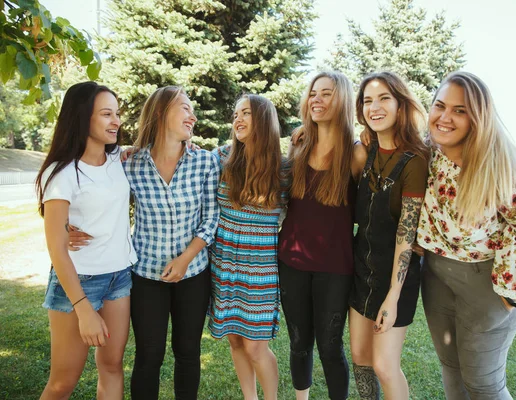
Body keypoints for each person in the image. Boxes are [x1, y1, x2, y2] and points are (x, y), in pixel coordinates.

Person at [416, 71, 516, 399]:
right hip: (435, 277)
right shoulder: (427, 153)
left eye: (460, 110)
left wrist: (509, 296)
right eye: (440, 106)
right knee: (451, 368)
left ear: (478, 118)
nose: (445, 117)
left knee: (485, 385)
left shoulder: (499, 165)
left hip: (486, 284)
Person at [70, 86, 220, 399]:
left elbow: (211, 220)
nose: (193, 116)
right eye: (185, 108)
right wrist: (65, 224)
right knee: (149, 355)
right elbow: (89, 190)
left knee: (188, 353)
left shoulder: (205, 162)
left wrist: (185, 259)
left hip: (193, 275)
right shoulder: (127, 162)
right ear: (162, 112)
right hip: (146, 276)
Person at [36, 81, 137, 399]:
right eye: (106, 114)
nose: (116, 121)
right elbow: (56, 247)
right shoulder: (62, 173)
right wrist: (83, 309)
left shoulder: (117, 159)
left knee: (112, 367)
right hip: (77, 283)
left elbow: (157, 146)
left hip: (119, 278)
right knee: (63, 383)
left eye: (117, 114)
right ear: (83, 117)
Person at [278, 71, 367, 400]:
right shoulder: (299, 142)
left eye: (326, 93)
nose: (316, 99)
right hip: (292, 261)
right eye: (313, 93)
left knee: (330, 347)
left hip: (335, 267)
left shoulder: (356, 154)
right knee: (299, 343)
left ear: (341, 99)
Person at [348, 72, 429, 400]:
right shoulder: (362, 153)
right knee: (360, 359)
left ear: (400, 105)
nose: (374, 106)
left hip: (397, 278)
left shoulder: (415, 160)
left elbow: (406, 234)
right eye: (368, 100)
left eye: (384, 99)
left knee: (384, 365)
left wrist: (393, 296)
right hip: (360, 271)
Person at [208, 94, 286, 400]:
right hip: (225, 264)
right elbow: (179, 158)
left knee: (256, 346)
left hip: (261, 269)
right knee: (236, 341)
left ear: (264, 120)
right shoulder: (222, 158)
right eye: (236, 114)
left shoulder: (284, 169)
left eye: (247, 114)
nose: (238, 120)